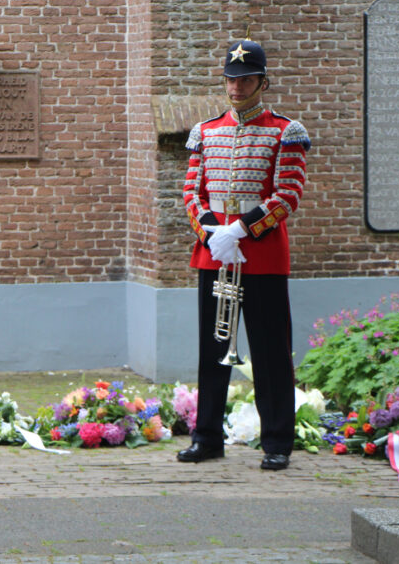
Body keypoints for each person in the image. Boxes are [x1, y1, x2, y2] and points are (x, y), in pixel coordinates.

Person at [177, 37, 310, 471]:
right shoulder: (205, 131)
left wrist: (242, 228)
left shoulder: (285, 131)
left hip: (263, 256)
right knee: (212, 351)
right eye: (231, 80)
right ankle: (207, 437)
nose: (237, 88)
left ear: (262, 82)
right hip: (215, 253)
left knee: (271, 353)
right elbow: (191, 193)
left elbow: (288, 193)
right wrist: (212, 233)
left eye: (246, 80)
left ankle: (277, 442)